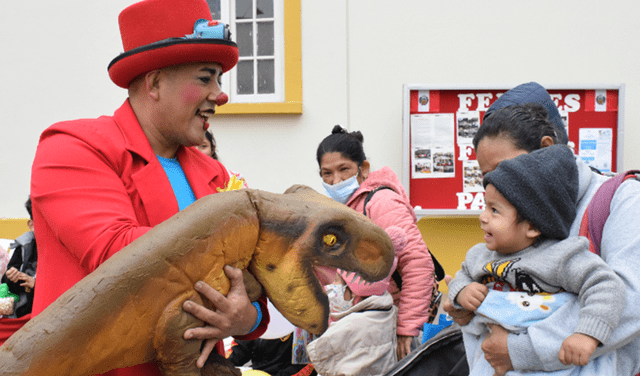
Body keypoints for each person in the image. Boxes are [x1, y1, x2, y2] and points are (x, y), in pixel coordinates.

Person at [29, 0, 269, 375]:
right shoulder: (71, 146)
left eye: (219, 81)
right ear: (155, 82)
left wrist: (246, 316)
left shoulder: (217, 176)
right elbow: (121, 256)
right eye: (205, 78)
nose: (220, 95)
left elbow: (258, 283)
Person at [444, 82, 640, 376]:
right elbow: (503, 285)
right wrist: (468, 309)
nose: (497, 183)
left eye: (503, 167)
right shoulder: (508, 204)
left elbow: (628, 300)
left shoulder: (623, 200)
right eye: (487, 176)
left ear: (546, 148)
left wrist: (521, 350)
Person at [316, 125, 436, 360]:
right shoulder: (336, 210)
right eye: (326, 173)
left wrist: (407, 328)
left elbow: (418, 264)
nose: (336, 180)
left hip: (388, 327)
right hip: (360, 331)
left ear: (364, 168)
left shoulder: (381, 202)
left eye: (344, 169)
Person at [306, 264, 399, 375]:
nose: (327, 288)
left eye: (334, 280)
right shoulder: (389, 312)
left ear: (354, 290)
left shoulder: (348, 327)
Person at [1, 196, 37, 319]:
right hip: (21, 312)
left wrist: (36, 285)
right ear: (31, 225)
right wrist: (11, 276)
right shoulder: (23, 246)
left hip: (45, 312)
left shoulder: (63, 249)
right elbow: (6, 282)